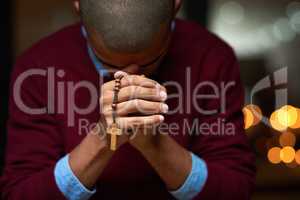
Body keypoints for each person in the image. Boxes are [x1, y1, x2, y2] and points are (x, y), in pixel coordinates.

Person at [0, 0, 256, 199]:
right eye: (108, 64)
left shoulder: (212, 57)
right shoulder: (37, 69)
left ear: (175, 6)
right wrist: (103, 137)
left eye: (149, 62)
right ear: (78, 6)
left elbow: (237, 190)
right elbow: (20, 193)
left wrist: (154, 145)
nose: (130, 78)